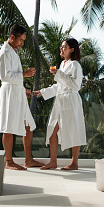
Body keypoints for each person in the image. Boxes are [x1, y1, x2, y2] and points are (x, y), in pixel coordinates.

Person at [33, 38, 86, 170]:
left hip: (71, 99)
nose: (61, 49)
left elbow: (75, 85)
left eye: (64, 47)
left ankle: (74, 163)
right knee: (52, 129)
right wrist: (43, 92)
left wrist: (59, 74)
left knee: (74, 129)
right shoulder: (63, 64)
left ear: (71, 49)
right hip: (60, 100)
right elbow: (59, 86)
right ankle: (53, 161)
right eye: (61, 47)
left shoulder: (75, 65)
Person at [0, 24, 44, 170]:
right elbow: (4, 76)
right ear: (12, 37)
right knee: (8, 126)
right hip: (9, 94)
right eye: (21, 40)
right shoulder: (5, 52)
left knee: (28, 125)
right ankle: (9, 161)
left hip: (17, 92)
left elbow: (13, 75)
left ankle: (28, 159)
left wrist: (24, 89)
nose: (22, 43)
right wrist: (24, 74)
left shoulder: (13, 51)